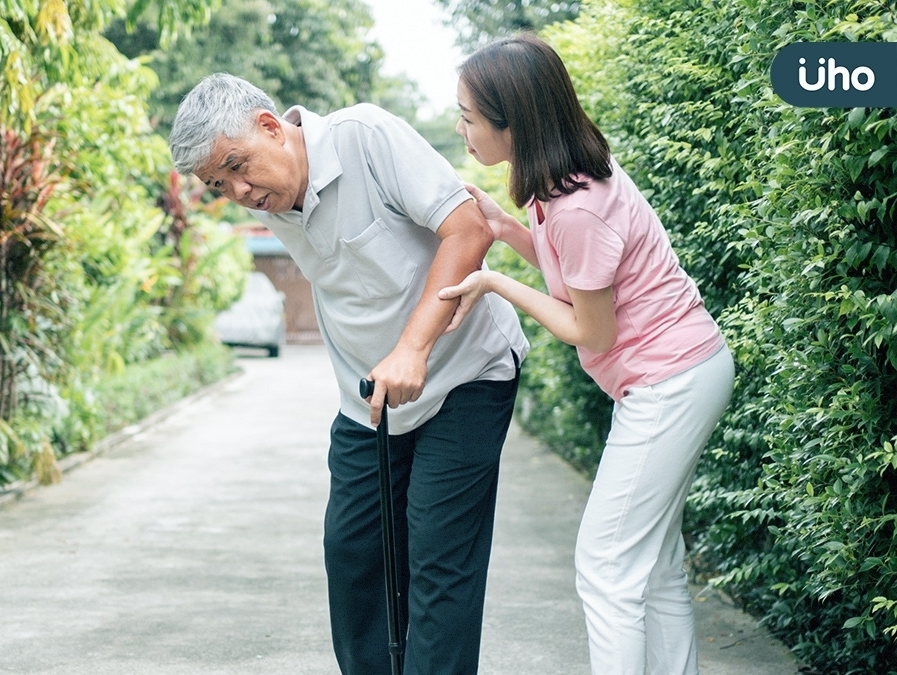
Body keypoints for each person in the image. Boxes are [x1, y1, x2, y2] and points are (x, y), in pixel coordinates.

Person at [169, 73, 528, 674]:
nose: (237, 189)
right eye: (216, 184)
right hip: (370, 398)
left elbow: (468, 228)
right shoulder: (275, 196)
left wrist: (413, 347)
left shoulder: (366, 137)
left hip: (468, 374)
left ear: (269, 127)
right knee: (354, 554)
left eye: (237, 165)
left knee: (439, 556)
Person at [438, 34, 736, 675]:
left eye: (468, 117)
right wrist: (504, 226)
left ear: (512, 123)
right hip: (685, 369)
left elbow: (591, 331)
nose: (461, 130)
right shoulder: (564, 181)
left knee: (605, 566)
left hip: (670, 381)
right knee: (651, 567)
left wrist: (494, 280)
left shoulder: (576, 208)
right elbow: (569, 276)